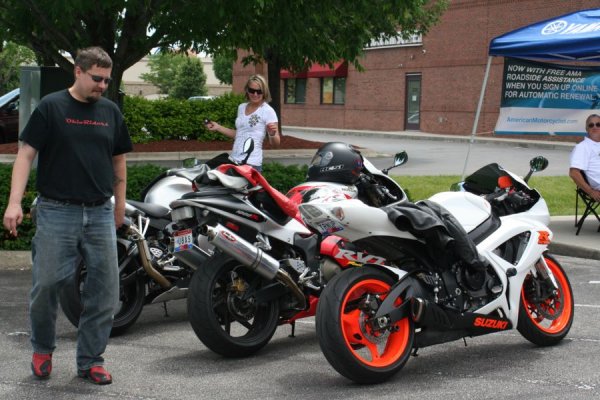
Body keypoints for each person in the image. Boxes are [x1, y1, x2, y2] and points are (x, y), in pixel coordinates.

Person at [2, 47, 132, 385]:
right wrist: (14, 203)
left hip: (100, 212)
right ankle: (42, 348)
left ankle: (91, 361)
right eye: (97, 79)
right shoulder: (51, 106)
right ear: (78, 71)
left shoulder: (110, 111)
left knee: (105, 292)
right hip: (56, 211)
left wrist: (119, 206)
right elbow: (25, 155)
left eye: (107, 80)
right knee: (46, 285)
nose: (102, 85)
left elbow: (118, 160)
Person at [204, 74, 280, 171]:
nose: (255, 94)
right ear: (247, 90)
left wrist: (272, 134)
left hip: (251, 164)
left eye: (259, 91)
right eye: (252, 90)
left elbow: (276, 144)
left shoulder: (268, 111)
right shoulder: (241, 107)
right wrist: (218, 127)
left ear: (264, 92)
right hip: (234, 160)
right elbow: (240, 134)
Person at [569, 113, 600, 203]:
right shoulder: (582, 147)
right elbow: (573, 173)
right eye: (591, 125)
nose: (595, 127)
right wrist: (591, 192)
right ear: (587, 129)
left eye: (598, 124)